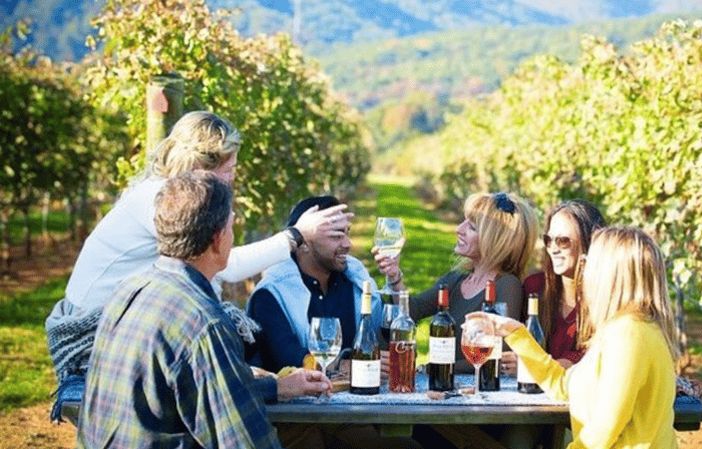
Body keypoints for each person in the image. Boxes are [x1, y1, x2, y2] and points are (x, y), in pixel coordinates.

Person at [45, 111, 348, 419]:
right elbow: (224, 264)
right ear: (200, 167)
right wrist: (296, 235)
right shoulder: (161, 199)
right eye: (228, 170)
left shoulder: (167, 193)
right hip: (96, 332)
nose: (232, 179)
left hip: (130, 319)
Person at [78, 171, 331, 448]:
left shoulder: (129, 291)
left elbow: (194, 391)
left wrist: (278, 387)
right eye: (232, 227)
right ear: (217, 239)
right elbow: (244, 440)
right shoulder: (203, 323)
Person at [470, 226, 679, 448]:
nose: (585, 272)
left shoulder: (628, 334)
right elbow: (562, 385)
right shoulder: (625, 329)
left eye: (590, 263)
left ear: (611, 275)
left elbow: (604, 429)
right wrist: (516, 333)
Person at [247, 196, 421, 449]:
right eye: (337, 236)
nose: (348, 244)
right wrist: (345, 363)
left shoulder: (354, 282)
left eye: (347, 233)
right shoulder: (271, 293)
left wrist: (394, 281)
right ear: (303, 244)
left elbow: (390, 332)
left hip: (346, 414)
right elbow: (288, 358)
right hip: (292, 418)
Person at [374, 192, 537, 374]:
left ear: (495, 241)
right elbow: (412, 311)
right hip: (446, 383)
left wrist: (429, 368)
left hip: (476, 388)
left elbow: (496, 356)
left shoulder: (507, 285)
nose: (459, 229)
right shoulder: (457, 279)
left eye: (472, 227)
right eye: (463, 221)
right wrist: (395, 276)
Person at [501, 199, 605, 376]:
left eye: (563, 241)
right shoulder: (535, 288)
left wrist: (535, 366)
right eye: (548, 240)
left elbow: (596, 359)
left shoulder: (606, 296)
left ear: (589, 242)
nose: (553, 249)